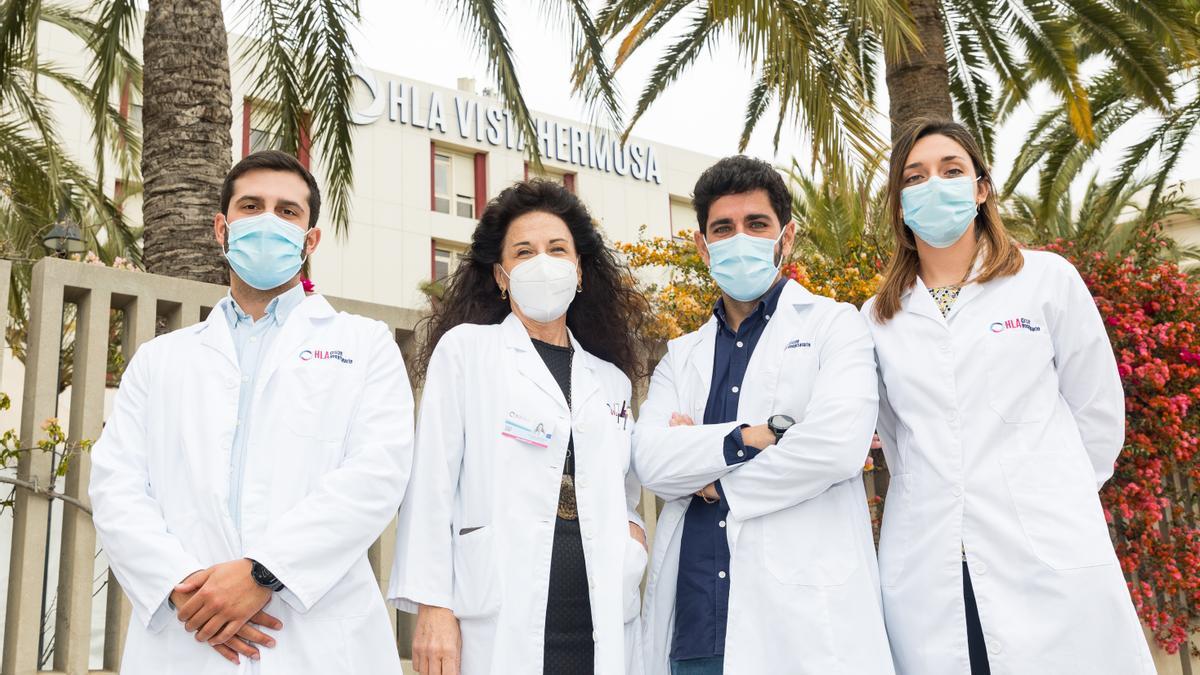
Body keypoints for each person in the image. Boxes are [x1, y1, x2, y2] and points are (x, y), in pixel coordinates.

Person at [89, 150, 413, 674]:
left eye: (287, 211)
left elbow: (377, 474)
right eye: (250, 206)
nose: (267, 221)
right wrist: (185, 592)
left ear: (311, 240)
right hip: (187, 634)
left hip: (317, 636)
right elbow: (115, 485)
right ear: (221, 228)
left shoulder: (365, 344)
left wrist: (263, 573)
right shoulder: (161, 359)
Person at [862, 118, 1154, 675]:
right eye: (915, 177)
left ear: (981, 188)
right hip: (932, 562)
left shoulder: (1046, 280)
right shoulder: (877, 318)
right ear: (899, 204)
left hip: (1047, 552)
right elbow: (898, 440)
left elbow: (1097, 413)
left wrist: (1047, 493)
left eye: (952, 171)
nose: (935, 186)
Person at [634, 156, 895, 675]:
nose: (740, 239)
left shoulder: (834, 326)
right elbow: (653, 463)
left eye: (757, 225)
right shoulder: (681, 355)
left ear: (787, 237)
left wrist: (712, 482)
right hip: (696, 627)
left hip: (801, 628)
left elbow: (834, 449)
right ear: (702, 246)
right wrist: (755, 437)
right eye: (723, 229)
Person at [389, 179, 652, 675]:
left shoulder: (611, 380)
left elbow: (627, 490)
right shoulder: (467, 352)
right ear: (502, 275)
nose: (542, 263)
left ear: (578, 272)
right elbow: (431, 486)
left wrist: (633, 534)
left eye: (557, 250)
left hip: (599, 609)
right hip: (497, 608)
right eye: (524, 252)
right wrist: (433, 606)